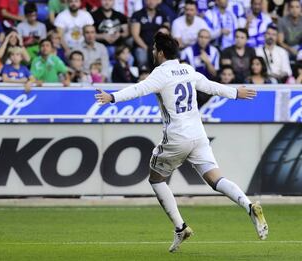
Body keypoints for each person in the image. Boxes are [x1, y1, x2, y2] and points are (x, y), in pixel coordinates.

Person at [95, 32, 268, 253]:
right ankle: (249, 205)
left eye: (154, 48)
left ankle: (180, 227)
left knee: (156, 179)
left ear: (160, 52)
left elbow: (138, 89)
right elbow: (211, 85)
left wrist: (112, 97)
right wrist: (236, 92)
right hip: (198, 135)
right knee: (215, 178)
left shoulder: (161, 74)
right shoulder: (187, 69)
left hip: (176, 137)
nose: (152, 52)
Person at [131, 0, 169, 67]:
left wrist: (165, 30)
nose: (151, 2)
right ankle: (143, 75)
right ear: (145, 1)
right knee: (142, 58)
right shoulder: (137, 14)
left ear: (158, 1)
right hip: (142, 46)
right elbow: (135, 35)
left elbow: (167, 30)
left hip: (158, 46)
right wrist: (147, 48)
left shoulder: (163, 14)